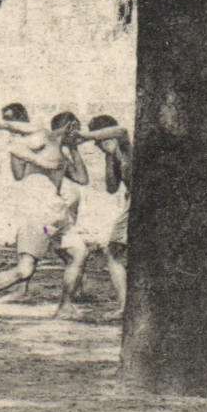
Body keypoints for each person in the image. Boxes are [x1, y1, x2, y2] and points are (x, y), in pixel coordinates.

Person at [0, 110, 90, 322]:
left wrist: (73, 149)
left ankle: (65, 307)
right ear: (71, 126)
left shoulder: (61, 152)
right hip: (38, 214)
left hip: (55, 215)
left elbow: (82, 178)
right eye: (78, 129)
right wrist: (40, 161)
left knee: (80, 253)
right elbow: (15, 145)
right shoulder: (45, 137)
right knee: (25, 270)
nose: (82, 135)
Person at [82, 115, 131, 322]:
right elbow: (112, 188)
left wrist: (84, 136)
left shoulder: (126, 146)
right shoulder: (112, 155)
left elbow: (121, 131)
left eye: (98, 139)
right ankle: (125, 306)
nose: (97, 144)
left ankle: (124, 308)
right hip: (134, 202)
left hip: (144, 201)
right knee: (114, 251)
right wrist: (110, 157)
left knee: (113, 252)